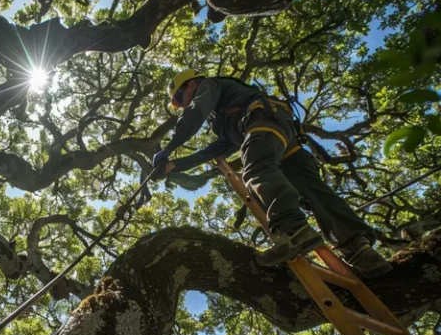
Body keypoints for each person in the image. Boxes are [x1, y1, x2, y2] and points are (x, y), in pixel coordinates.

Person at [153, 70, 392, 278]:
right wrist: (175, 165)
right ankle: (361, 252)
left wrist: (168, 148)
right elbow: (218, 148)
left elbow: (195, 112)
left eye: (179, 99)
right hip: (283, 140)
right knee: (314, 192)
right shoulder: (223, 114)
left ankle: (294, 231)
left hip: (264, 122)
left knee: (256, 169)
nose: (182, 106)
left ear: (191, 84)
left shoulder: (209, 85)